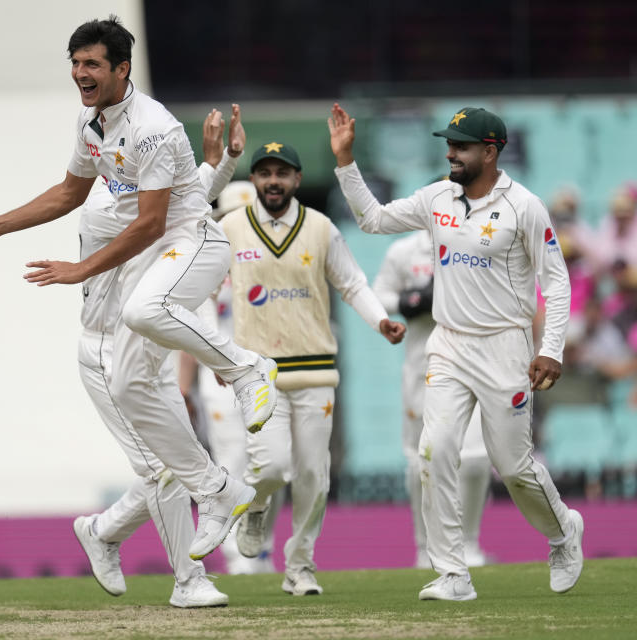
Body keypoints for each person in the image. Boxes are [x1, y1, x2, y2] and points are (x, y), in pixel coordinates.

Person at [0, 16, 274, 561]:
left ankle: (248, 368)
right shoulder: (91, 121)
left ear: (123, 69)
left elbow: (151, 223)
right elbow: (68, 193)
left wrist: (80, 270)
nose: (80, 73)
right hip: (155, 258)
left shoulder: (152, 126)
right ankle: (219, 491)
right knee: (128, 386)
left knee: (144, 310)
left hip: (193, 243)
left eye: (92, 64)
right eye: (75, 63)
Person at [328, 103, 584, 601]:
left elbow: (557, 282)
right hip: (447, 345)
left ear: (490, 151)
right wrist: (345, 162)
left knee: (511, 466)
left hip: (505, 348)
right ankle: (452, 571)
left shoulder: (524, 207)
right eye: (449, 145)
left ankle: (562, 533)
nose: (451, 154)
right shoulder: (438, 197)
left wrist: (550, 348)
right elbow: (375, 219)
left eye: (461, 146)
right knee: (434, 449)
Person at [72, 106, 243, 608]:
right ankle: (188, 582)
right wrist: (215, 163)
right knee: (165, 469)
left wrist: (225, 158)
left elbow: (182, 203)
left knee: (170, 462)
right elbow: (170, 211)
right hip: (105, 352)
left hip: (145, 347)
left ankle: (103, 531)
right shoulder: (108, 205)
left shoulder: (127, 193)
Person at [222, 141, 406, 595]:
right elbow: (204, 293)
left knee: (312, 475)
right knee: (270, 469)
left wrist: (381, 319)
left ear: (297, 180)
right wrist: (216, 354)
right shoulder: (229, 228)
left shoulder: (321, 228)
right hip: (258, 373)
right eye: (264, 173)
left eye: (282, 174)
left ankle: (300, 565)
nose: (273, 182)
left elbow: (353, 283)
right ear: (254, 180)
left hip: (316, 370)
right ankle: (258, 506)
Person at [372, 229, 492, 569]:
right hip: (422, 366)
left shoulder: (485, 241)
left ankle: (468, 544)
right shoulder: (405, 249)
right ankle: (426, 548)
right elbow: (378, 295)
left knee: (474, 458)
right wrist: (410, 301)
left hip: (477, 361)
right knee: (419, 457)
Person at [180, 180, 280, 576]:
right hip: (219, 380)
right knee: (232, 461)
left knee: (271, 466)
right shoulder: (205, 267)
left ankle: (262, 547)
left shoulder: (273, 262)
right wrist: (184, 388)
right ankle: (239, 558)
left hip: (264, 376)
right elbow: (187, 333)